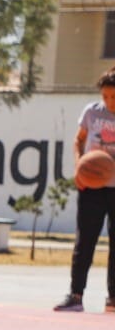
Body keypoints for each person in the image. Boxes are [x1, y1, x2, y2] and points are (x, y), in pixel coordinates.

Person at [55, 66, 115, 313]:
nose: (109, 101)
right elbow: (78, 140)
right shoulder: (92, 112)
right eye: (106, 96)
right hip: (91, 187)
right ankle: (76, 295)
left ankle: (113, 299)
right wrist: (80, 165)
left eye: (114, 97)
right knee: (85, 241)